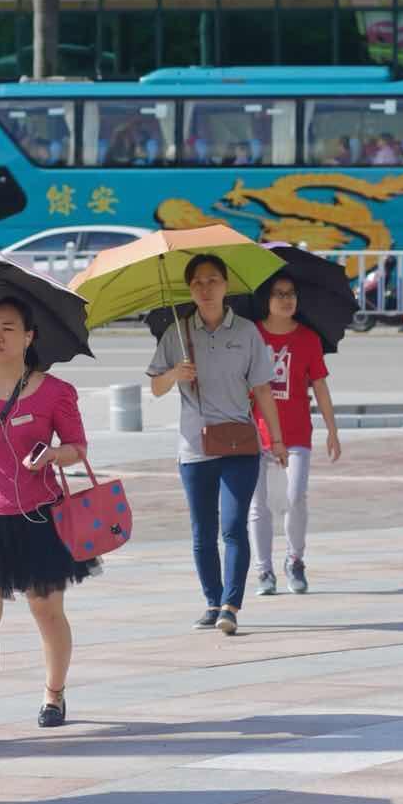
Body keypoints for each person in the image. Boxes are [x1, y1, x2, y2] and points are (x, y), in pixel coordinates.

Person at [0, 297, 97, 742]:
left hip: (39, 515)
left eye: (8, 327)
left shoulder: (54, 391)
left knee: (46, 610)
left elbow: (78, 447)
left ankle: (54, 693)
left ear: (29, 336)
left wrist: (51, 455)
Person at [147, 254, 286, 636]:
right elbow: (155, 386)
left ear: (226, 286)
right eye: (197, 283)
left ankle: (231, 605)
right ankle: (212, 601)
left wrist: (276, 439)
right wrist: (175, 373)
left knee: (233, 525)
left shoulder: (246, 333)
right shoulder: (176, 333)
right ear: (189, 289)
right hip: (194, 448)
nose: (205, 289)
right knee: (202, 531)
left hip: (240, 444)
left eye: (213, 281)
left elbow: (262, 388)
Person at [248, 273, 341, 597]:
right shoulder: (251, 335)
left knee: (294, 497)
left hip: (297, 434)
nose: (286, 299)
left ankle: (294, 559)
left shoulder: (308, 339)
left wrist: (332, 429)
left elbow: (320, 386)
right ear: (266, 299)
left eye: (291, 293)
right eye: (278, 293)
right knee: (258, 505)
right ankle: (264, 571)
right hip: (255, 434)